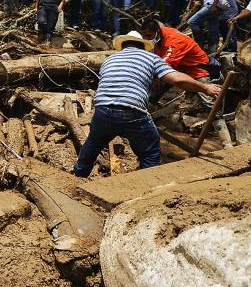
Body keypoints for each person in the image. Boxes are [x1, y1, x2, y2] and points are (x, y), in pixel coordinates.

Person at [73, 31, 221, 177]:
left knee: (93, 143)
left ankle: (78, 175)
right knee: (150, 151)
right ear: (143, 46)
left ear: (123, 46)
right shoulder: (150, 57)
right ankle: (148, 184)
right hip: (131, 110)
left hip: (102, 109)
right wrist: (205, 87)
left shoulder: (110, 59)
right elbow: (177, 79)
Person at [139, 19, 211, 81]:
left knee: (205, 92)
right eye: (143, 36)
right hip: (182, 70)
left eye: (148, 36)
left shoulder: (174, 41)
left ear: (157, 31)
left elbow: (165, 64)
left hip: (198, 71)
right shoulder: (160, 35)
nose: (146, 39)